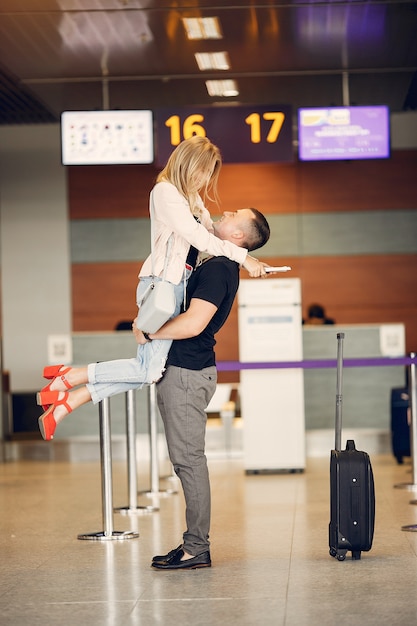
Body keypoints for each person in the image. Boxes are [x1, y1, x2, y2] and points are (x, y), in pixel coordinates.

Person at [37, 136, 267, 440]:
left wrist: (243, 253)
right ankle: (72, 378)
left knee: (148, 369)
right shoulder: (165, 192)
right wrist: (245, 258)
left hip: (175, 288)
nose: (205, 179)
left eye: (209, 173)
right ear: (188, 163)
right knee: (148, 371)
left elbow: (214, 237)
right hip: (162, 287)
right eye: (203, 171)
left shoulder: (192, 199)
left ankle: (70, 399)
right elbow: (199, 239)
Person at [133, 207, 271, 570]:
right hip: (185, 370)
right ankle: (194, 544)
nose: (225, 211)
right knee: (187, 462)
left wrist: (150, 332)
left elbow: (194, 322)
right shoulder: (218, 260)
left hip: (186, 373)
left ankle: (197, 548)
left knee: (189, 462)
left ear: (238, 236)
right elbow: (197, 223)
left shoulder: (219, 269)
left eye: (234, 214)